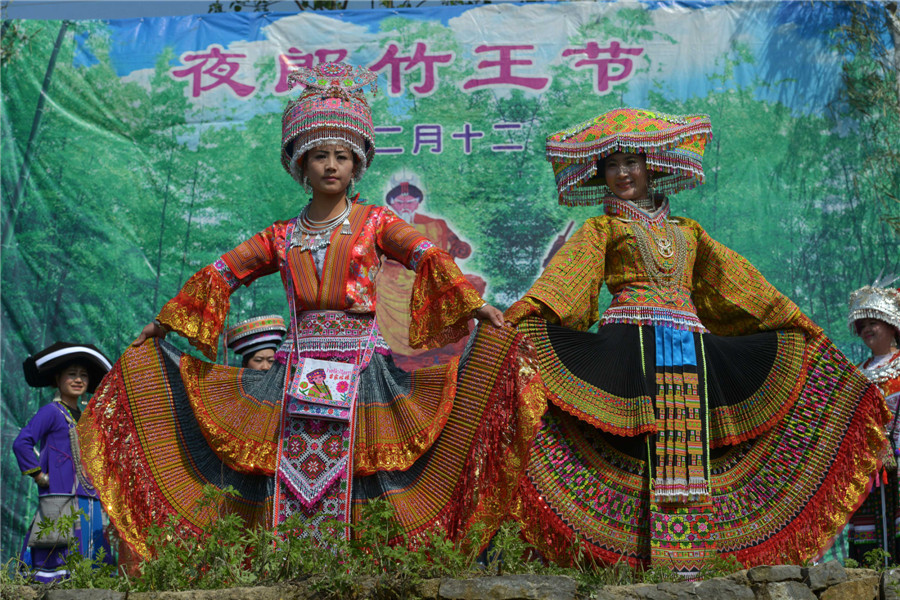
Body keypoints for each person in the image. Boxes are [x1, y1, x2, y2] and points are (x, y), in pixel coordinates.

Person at [77, 62, 543, 560]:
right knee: (285, 470)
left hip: (361, 366)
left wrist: (474, 307)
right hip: (295, 367)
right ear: (301, 165)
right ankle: (292, 563)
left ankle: (364, 563)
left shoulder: (375, 222)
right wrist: (165, 323)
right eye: (319, 155)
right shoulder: (280, 235)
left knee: (368, 467)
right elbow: (221, 272)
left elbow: (427, 254)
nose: (331, 165)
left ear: (358, 164)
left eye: (342, 156)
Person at [503, 108, 889, 578]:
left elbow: (738, 286)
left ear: (652, 166)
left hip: (693, 347)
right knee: (638, 445)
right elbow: (566, 283)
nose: (622, 173)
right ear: (601, 175)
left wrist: (798, 324)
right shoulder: (601, 229)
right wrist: (519, 320)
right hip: (631, 345)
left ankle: (698, 558)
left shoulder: (689, 232)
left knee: (700, 445)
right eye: (611, 165)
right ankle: (637, 556)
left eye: (631, 162)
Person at [13, 342, 115, 582]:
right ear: (57, 379)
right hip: (59, 497)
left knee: (92, 563)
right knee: (54, 564)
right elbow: (22, 443)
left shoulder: (88, 417)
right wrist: (39, 475)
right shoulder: (51, 412)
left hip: (89, 498)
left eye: (84, 375)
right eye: (72, 374)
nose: (78, 380)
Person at [376, 171, 486, 370]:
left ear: (417, 203)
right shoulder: (382, 224)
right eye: (400, 203)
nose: (404, 207)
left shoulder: (435, 225)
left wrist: (460, 248)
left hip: (427, 276)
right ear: (392, 203)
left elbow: (458, 246)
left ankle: (441, 353)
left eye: (409, 202)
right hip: (392, 280)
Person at [841, 281, 900, 562]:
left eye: (873, 320)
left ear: (892, 323)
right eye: (862, 323)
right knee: (867, 531)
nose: (866, 328)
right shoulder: (857, 373)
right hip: (867, 464)